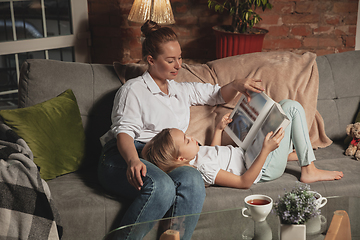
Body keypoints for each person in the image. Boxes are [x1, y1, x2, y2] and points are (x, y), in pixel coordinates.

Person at [97, 20, 264, 240]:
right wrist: (132, 161)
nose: (178, 65)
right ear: (151, 60)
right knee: (161, 186)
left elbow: (217, 95)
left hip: (161, 157)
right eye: (170, 60)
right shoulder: (133, 90)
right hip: (122, 155)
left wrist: (237, 84)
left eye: (179, 58)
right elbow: (124, 132)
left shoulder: (179, 90)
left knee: (192, 177)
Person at [142, 100, 344, 189]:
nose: (192, 138)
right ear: (180, 158)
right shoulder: (202, 169)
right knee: (292, 108)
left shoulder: (196, 156)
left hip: (249, 153)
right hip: (261, 168)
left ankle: (289, 155)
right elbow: (244, 183)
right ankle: (309, 169)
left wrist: (219, 129)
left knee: (279, 107)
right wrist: (265, 150)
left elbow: (214, 152)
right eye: (186, 140)